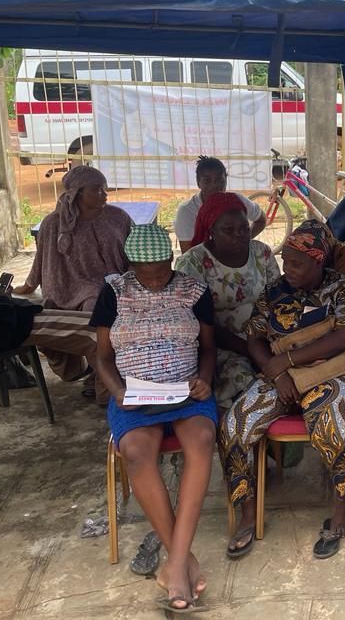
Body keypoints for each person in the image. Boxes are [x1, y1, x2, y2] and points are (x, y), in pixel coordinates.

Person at [220, 220, 345, 560]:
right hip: (280, 376)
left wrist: (286, 359)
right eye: (285, 260)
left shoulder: (342, 290)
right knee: (234, 425)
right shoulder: (274, 290)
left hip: (330, 374)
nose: (289, 269)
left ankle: (341, 508)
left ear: (319, 262)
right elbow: (255, 336)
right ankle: (247, 511)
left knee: (330, 420)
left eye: (297, 263)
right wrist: (277, 373)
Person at [90, 224, 217, 613]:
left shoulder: (193, 290)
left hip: (185, 394)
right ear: (131, 266)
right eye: (147, 275)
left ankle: (175, 565)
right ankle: (182, 561)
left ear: (172, 261)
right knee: (136, 454)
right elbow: (102, 357)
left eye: (163, 271)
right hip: (134, 397)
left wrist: (205, 381)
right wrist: (118, 392)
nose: (156, 280)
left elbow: (210, 348)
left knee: (201, 440)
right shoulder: (115, 292)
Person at [14, 166, 131, 399]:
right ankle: (81, 370)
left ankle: (103, 384)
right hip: (63, 287)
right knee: (44, 316)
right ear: (77, 192)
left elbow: (134, 253)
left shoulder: (117, 217)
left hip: (106, 286)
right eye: (97, 190)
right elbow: (41, 259)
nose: (104, 195)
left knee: (96, 312)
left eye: (104, 189)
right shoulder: (52, 224)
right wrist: (28, 286)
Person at [175, 192, 281, 409]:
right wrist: (250, 350)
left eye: (244, 228)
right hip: (219, 345)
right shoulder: (193, 263)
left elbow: (279, 300)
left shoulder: (262, 253)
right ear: (211, 231)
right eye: (229, 230)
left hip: (266, 338)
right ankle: (240, 435)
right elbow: (198, 322)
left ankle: (279, 440)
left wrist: (269, 345)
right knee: (243, 383)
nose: (239, 235)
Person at [174, 157, 267, 252]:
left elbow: (261, 220)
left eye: (219, 179)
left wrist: (242, 241)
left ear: (226, 179)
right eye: (207, 181)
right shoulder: (186, 212)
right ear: (198, 183)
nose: (214, 185)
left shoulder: (237, 201)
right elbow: (188, 256)